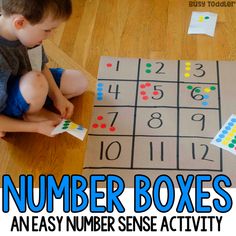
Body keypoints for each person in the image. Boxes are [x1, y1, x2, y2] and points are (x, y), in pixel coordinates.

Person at [0, 0, 88, 138]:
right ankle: (31, 115)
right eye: (47, 30)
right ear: (19, 23)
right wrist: (36, 128)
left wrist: (57, 96)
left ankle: (32, 106)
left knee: (79, 82)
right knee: (36, 81)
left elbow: (38, 65)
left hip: (29, 82)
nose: (50, 35)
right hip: (7, 100)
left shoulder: (26, 34)